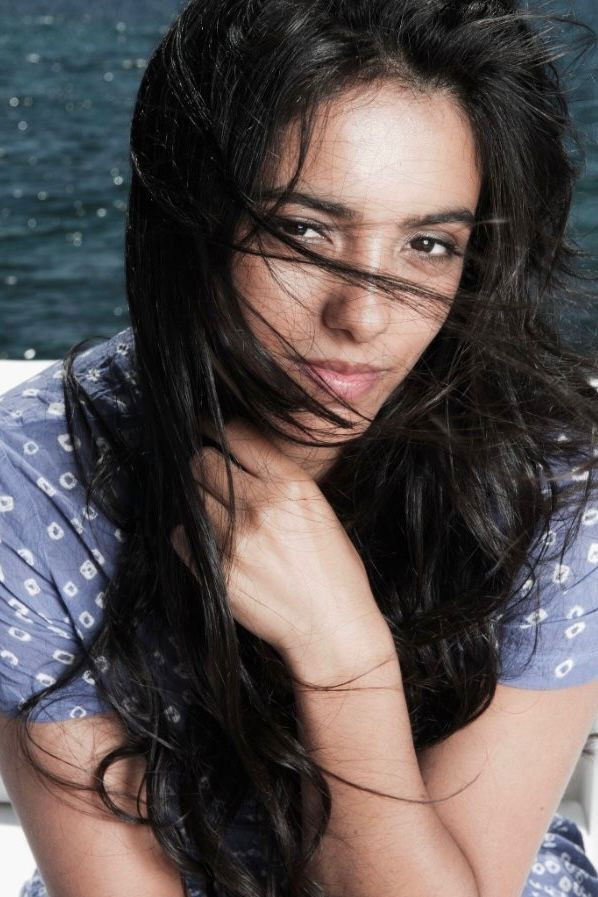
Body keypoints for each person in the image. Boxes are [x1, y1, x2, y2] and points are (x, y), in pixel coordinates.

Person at [1, 1, 598, 895]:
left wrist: (343, 656)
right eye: (303, 232)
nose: (363, 316)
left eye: (428, 244)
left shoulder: (550, 482)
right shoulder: (40, 473)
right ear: (192, 222)